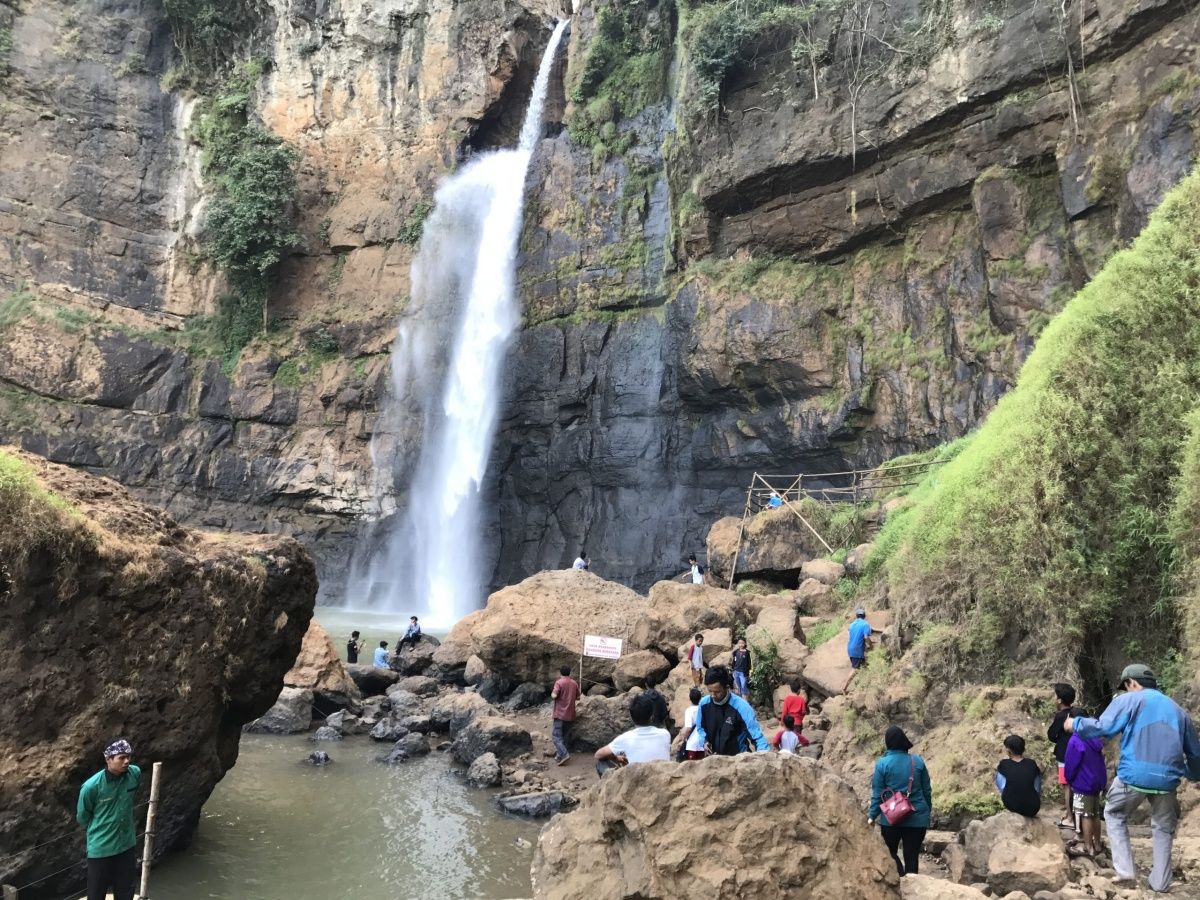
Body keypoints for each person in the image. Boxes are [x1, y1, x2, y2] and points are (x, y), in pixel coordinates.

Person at [1065, 663, 1200, 892]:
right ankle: (1160, 883)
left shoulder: (1129, 699)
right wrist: (1190, 773)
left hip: (1134, 776)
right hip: (1167, 781)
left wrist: (1075, 723)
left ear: (1132, 683)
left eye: (1126, 686)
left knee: (1114, 813)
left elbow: (1104, 727)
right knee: (1163, 828)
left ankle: (1126, 872)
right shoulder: (1178, 710)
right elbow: (1195, 754)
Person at [77, 738, 142, 900]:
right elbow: (83, 816)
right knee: (96, 894)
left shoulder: (135, 773)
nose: (126, 761)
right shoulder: (91, 787)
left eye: (128, 757)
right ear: (108, 759)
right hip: (101, 848)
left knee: (126, 891)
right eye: (121, 757)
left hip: (126, 844)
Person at [868, 726, 932, 878]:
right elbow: (927, 791)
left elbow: (877, 794)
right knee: (912, 856)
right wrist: (926, 812)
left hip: (891, 819)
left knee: (890, 853)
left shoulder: (882, 764)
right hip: (917, 817)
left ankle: (900, 877)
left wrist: (871, 816)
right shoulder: (917, 761)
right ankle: (912, 883)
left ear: (888, 742)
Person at [694, 665, 769, 755]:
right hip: (715, 759)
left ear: (727, 687)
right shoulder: (704, 704)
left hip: (738, 759)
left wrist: (764, 755)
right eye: (710, 691)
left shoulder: (742, 707)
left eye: (717, 692)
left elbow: (757, 737)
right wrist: (704, 741)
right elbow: (700, 728)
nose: (713, 695)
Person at [594, 693, 670, 776]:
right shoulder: (665, 734)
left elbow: (598, 754)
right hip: (662, 777)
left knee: (601, 763)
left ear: (631, 717)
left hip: (637, 779)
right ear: (652, 716)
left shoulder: (626, 738)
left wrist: (615, 758)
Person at [1047, 682, 1086, 829]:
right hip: (1082, 754)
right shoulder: (1081, 712)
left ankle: (1070, 818)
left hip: (1065, 756)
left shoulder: (1061, 716)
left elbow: (1051, 735)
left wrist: (1060, 738)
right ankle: (1081, 815)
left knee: (1067, 786)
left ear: (1059, 700)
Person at [1063, 729, 1107, 858]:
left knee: (1085, 815)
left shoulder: (1075, 740)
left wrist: (1069, 779)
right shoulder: (1094, 738)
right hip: (1096, 782)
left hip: (1083, 782)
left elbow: (1071, 764)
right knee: (1095, 814)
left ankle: (1088, 847)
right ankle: (1097, 844)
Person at [995, 734, 1043, 817]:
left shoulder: (1004, 764)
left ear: (1008, 750)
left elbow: (1001, 786)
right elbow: (1037, 787)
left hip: (1012, 805)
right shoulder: (1031, 763)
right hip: (1033, 807)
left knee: (999, 773)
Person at [550, 664, 580, 766]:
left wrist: (553, 694)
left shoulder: (559, 682)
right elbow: (578, 697)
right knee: (565, 736)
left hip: (559, 714)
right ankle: (559, 756)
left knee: (556, 736)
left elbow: (554, 695)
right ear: (569, 673)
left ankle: (564, 754)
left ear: (560, 672)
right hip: (570, 714)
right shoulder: (574, 683)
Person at [677, 688, 706, 761]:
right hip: (702, 742)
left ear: (690, 699)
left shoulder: (689, 711)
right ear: (700, 698)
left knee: (691, 765)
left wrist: (683, 740)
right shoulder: (704, 709)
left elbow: (689, 728)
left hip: (692, 743)